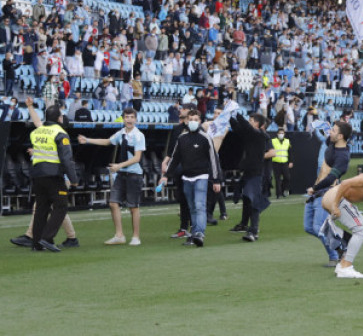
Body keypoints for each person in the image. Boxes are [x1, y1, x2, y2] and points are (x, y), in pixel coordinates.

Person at [78, 108, 145, 246]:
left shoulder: (139, 135)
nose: (129, 119)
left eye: (132, 117)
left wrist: (119, 166)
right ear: (123, 118)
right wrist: (88, 140)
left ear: (136, 119)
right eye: (127, 117)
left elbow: (137, 158)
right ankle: (119, 235)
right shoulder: (121, 133)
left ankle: (136, 236)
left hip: (133, 174)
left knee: (133, 207)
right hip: (122, 173)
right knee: (113, 203)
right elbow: (108, 141)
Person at [161, 109, 223, 247]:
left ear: (200, 121)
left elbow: (213, 159)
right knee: (192, 207)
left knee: (199, 205)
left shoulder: (205, 138)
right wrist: (166, 176)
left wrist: (216, 179)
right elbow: (175, 158)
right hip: (186, 178)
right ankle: (194, 234)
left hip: (201, 176)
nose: (193, 122)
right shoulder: (181, 139)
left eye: (196, 119)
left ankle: (199, 233)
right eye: (191, 119)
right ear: (186, 121)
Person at [25, 97, 79, 252]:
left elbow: (37, 123)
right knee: (61, 206)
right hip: (54, 175)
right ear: (59, 118)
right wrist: (74, 179)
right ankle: (46, 238)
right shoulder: (60, 133)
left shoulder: (37, 131)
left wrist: (30, 108)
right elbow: (66, 160)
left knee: (41, 208)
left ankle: (36, 244)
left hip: (37, 175)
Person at [304, 121, 351, 267]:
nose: (330, 132)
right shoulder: (332, 143)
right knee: (309, 227)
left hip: (326, 193)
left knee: (319, 227)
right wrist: (320, 124)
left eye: (334, 130)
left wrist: (315, 187)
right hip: (317, 192)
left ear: (341, 136)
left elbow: (331, 178)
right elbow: (326, 133)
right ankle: (342, 240)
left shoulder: (343, 157)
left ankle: (337, 252)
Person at [229, 113, 274, 243]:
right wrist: (229, 116)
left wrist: (236, 113)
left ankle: (253, 231)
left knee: (253, 201)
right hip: (248, 172)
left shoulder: (260, 135)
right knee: (247, 200)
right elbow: (238, 128)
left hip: (256, 173)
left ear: (258, 124)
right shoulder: (250, 135)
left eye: (251, 120)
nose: (249, 122)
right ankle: (246, 226)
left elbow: (244, 126)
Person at [163, 104, 193, 240]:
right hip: (179, 168)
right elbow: (172, 150)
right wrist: (165, 162)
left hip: (194, 168)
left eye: (183, 109)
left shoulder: (198, 128)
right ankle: (183, 228)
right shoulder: (177, 129)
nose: (180, 110)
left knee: (193, 199)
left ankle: (195, 227)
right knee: (182, 197)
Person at [271, 128, 293, 199]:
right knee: (277, 179)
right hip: (276, 162)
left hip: (284, 162)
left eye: (282, 133)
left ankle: (283, 190)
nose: (281, 134)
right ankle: (278, 194)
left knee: (287, 178)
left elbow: (290, 152)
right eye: (280, 133)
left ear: (284, 134)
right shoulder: (273, 141)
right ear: (277, 134)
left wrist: (291, 161)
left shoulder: (287, 141)